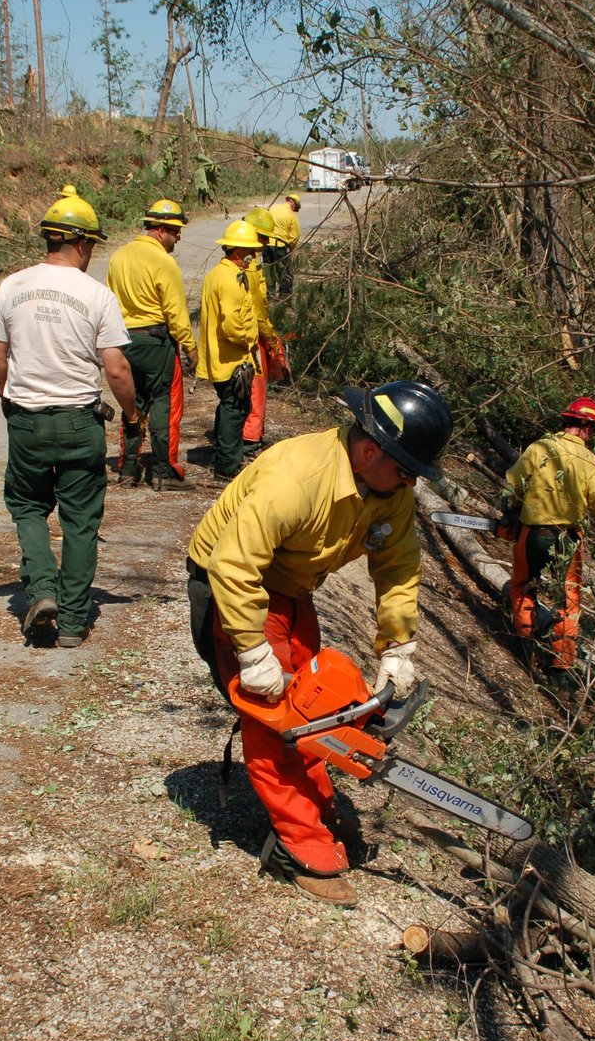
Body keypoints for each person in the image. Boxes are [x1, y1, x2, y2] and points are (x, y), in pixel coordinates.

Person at [186, 381, 453, 907]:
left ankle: (317, 807)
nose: (409, 484)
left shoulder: (388, 491)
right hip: (232, 581)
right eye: (405, 471)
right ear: (370, 449)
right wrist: (252, 649)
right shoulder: (297, 477)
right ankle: (301, 847)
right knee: (275, 719)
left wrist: (398, 647)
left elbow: (398, 567)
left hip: (290, 585)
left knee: (320, 706)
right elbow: (235, 564)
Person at [0, 188, 138, 648]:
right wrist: (131, 415)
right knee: (80, 521)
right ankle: (71, 623)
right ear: (84, 244)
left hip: (26, 421)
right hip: (79, 423)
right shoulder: (96, 294)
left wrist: (9, 394)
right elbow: (115, 368)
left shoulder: (12, 286)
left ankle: (42, 591)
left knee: (28, 507)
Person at [504, 396, 595, 683]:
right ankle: (560, 664)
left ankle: (525, 644)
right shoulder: (590, 461)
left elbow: (514, 482)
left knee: (523, 586)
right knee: (569, 599)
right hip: (569, 539)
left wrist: (512, 508)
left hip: (533, 533)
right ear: (587, 428)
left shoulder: (541, 448)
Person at [106, 199, 198, 491]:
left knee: (133, 403)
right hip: (156, 343)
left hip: (124, 342)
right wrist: (189, 346)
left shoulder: (118, 257)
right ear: (160, 230)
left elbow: (109, 302)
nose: (178, 237)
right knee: (164, 405)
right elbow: (175, 311)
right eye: (174, 231)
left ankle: (128, 469)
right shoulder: (163, 262)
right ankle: (163, 471)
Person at [197, 219, 264, 481]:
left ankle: (225, 457)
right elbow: (233, 324)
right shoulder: (230, 279)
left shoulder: (217, 274)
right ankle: (227, 466)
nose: (254, 257)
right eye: (251, 253)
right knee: (234, 409)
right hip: (231, 359)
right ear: (238, 253)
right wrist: (248, 342)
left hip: (222, 357)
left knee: (230, 406)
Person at [240, 206, 281, 456]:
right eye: (263, 238)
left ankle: (248, 436)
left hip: (245, 334)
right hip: (252, 336)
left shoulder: (244, 263)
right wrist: (269, 335)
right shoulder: (251, 268)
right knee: (256, 386)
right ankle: (250, 439)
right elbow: (257, 309)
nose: (265, 244)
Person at [263, 191, 301, 298]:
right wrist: (291, 249)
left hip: (266, 245)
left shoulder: (272, 209)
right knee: (284, 273)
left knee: (268, 272)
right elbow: (294, 237)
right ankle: (284, 298)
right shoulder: (291, 216)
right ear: (293, 204)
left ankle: (269, 296)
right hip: (280, 246)